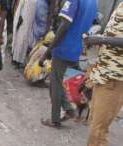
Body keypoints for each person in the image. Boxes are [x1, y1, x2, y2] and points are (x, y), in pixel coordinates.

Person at [71, 3, 123, 146]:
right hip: (104, 73)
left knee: (99, 130)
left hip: (116, 78)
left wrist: (100, 39)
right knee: (93, 122)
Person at [39, 0, 97, 128]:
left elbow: (64, 26)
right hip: (76, 48)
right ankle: (69, 110)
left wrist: (48, 51)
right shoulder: (94, 2)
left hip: (64, 47)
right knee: (57, 82)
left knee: (55, 83)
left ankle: (55, 119)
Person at [12, 0, 37, 68]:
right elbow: (19, 7)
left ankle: (19, 60)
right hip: (22, 20)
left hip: (27, 22)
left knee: (23, 40)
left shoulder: (34, 1)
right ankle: (15, 58)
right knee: (19, 39)